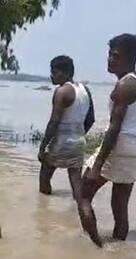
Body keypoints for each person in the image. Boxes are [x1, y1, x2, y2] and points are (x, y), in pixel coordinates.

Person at [79, 34, 136, 247]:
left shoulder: (124, 85)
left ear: (130, 57)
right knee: (120, 209)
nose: (110, 59)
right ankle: (118, 255)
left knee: (83, 194)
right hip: (135, 145)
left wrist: (97, 165)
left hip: (119, 144)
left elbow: (114, 128)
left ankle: (94, 247)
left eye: (116, 56)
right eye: (109, 54)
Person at [38, 55, 95, 200]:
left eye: (55, 72)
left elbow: (54, 122)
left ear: (67, 72)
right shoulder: (85, 90)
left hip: (61, 142)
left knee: (45, 176)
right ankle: (79, 212)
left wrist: (42, 147)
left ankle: (43, 210)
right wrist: (79, 134)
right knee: (76, 182)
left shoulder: (62, 91)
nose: (51, 75)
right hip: (79, 142)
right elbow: (91, 119)